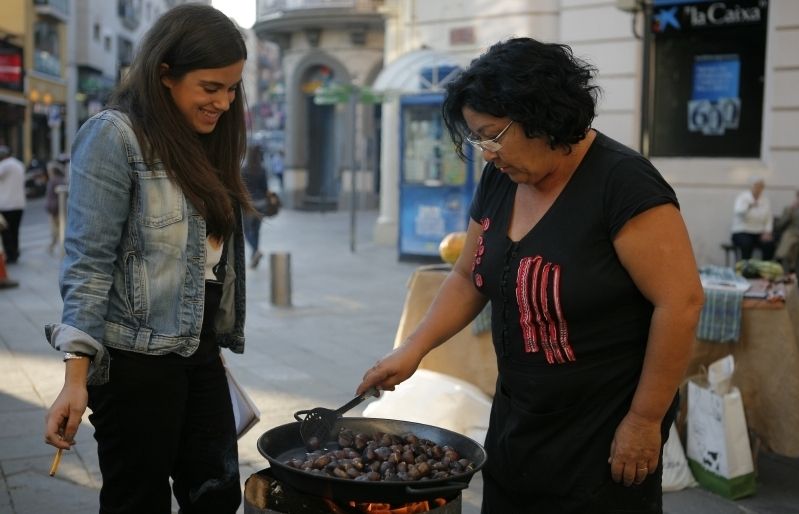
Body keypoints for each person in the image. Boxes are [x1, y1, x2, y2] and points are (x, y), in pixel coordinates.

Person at [357, 38, 704, 514]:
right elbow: (468, 275)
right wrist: (413, 348)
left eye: (493, 135)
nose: (487, 153)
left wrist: (645, 420)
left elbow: (680, 303)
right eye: (478, 139)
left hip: (602, 426)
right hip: (519, 416)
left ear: (541, 115)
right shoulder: (502, 178)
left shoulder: (623, 183)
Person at [43, 5, 251, 513]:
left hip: (200, 355)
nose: (224, 102)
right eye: (211, 87)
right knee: (137, 502)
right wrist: (75, 379)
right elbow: (88, 262)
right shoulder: (114, 136)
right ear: (165, 74)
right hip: (133, 365)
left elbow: (205, 270)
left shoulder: (207, 142)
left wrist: (209, 341)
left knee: (218, 497)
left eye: (232, 89)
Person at [731, 177, 775, 260]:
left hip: (759, 232)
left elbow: (769, 218)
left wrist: (767, 232)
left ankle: (765, 266)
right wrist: (749, 206)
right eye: (756, 186)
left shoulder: (765, 200)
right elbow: (738, 212)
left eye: (761, 187)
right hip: (742, 231)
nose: (758, 189)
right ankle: (746, 266)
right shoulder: (743, 197)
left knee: (769, 244)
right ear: (751, 186)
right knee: (746, 243)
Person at [242, 145, 268, 268]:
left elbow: (241, 188)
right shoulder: (262, 170)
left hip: (249, 204)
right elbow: (265, 188)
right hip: (261, 203)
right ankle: (254, 255)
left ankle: (255, 250)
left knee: (247, 230)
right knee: (256, 230)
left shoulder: (244, 170)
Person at [0, 145, 26, 264]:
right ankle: (15, 252)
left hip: (6, 205)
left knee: (6, 232)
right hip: (19, 204)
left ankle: (10, 255)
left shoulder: (5, 165)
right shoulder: (19, 164)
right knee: (15, 231)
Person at [44, 160, 67, 254]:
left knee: (57, 230)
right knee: (57, 230)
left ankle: (55, 247)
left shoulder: (54, 180)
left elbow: (53, 197)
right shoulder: (59, 180)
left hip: (56, 209)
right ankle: (53, 246)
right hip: (56, 209)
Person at [775, 190, 799, 271]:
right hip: (792, 232)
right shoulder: (789, 209)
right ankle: (788, 265)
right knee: (790, 239)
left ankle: (779, 259)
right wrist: (789, 213)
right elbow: (779, 225)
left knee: (793, 243)